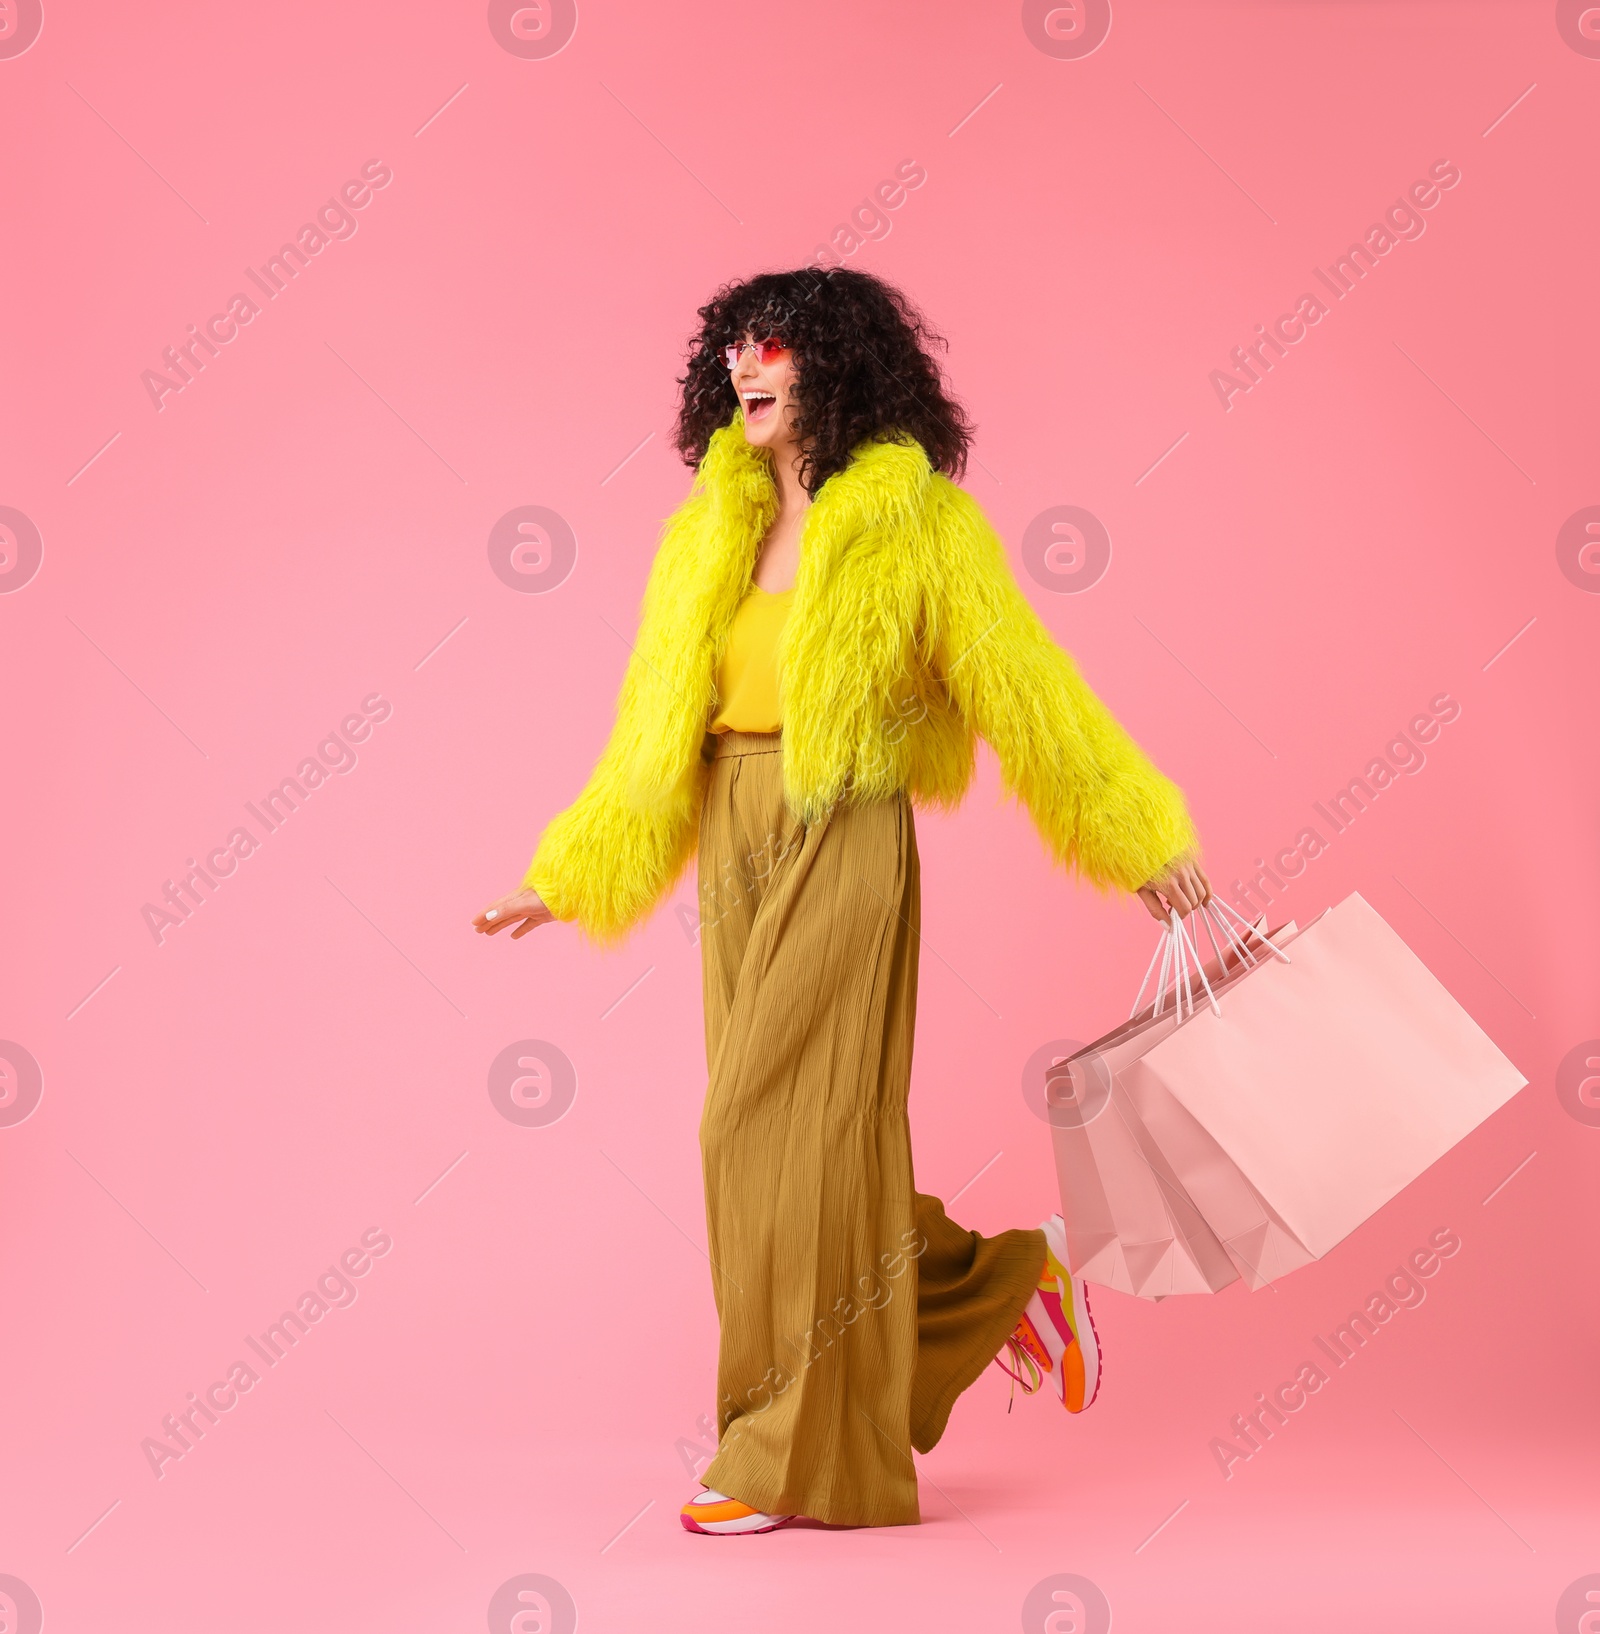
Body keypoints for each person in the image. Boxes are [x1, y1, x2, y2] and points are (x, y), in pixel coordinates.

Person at [473, 267, 1212, 1535]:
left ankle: (786, 1455)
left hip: (841, 827)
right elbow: (654, 726)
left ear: (838, 364)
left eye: (774, 348)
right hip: (727, 825)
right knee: (784, 1148)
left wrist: (1137, 839)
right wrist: (569, 871)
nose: (745, 370)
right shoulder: (709, 524)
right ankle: (1009, 1282)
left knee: (774, 1130)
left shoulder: (916, 523)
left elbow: (1025, 687)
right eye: (733, 350)